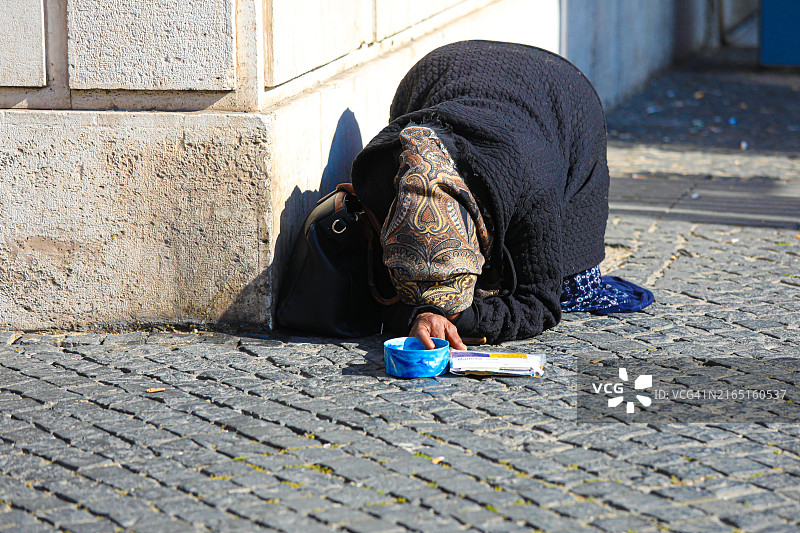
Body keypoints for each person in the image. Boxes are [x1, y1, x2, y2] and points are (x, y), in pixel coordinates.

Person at [351, 40, 653, 350]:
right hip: (441, 69)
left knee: (568, 281)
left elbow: (540, 302)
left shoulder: (533, 180)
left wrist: (461, 319)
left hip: (560, 87)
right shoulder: (386, 177)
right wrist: (423, 311)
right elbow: (385, 287)